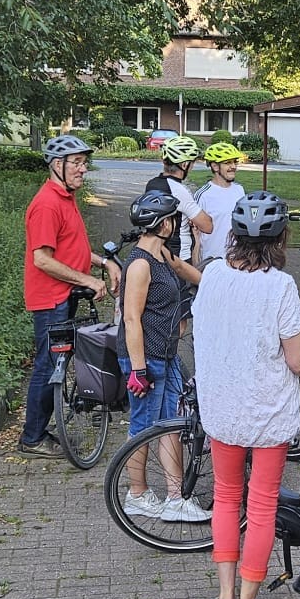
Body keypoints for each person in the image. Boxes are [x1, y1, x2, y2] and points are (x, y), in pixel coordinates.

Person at [190, 191, 300, 599]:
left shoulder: (212, 274)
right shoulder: (280, 286)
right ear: (281, 238)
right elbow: (298, 360)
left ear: (234, 235)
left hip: (222, 407)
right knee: (261, 506)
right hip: (266, 412)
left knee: (227, 499)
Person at [18, 134, 120, 458]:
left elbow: (72, 249)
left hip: (65, 293)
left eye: (83, 162)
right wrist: (87, 280)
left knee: (55, 364)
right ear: (57, 165)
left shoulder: (65, 198)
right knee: (48, 368)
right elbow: (43, 259)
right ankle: (32, 437)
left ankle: (42, 427)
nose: (83, 169)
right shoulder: (46, 204)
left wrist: (104, 263)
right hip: (51, 299)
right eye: (76, 163)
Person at [117, 190, 211, 523]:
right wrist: (138, 369)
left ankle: (175, 498)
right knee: (143, 426)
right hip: (146, 358)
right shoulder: (141, 263)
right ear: (164, 224)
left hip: (167, 354)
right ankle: (137, 495)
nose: (177, 224)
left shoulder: (162, 257)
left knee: (172, 423)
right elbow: (131, 318)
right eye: (175, 219)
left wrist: (225, 284)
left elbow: (192, 276)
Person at [146, 135, 213, 264]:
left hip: (156, 253)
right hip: (178, 257)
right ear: (184, 164)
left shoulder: (152, 184)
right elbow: (207, 226)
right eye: (192, 162)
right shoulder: (178, 190)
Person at [193, 141, 249, 270]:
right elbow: (194, 234)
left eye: (235, 162)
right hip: (211, 264)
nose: (233, 166)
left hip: (237, 262)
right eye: (227, 163)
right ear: (215, 166)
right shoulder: (203, 195)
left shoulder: (239, 190)